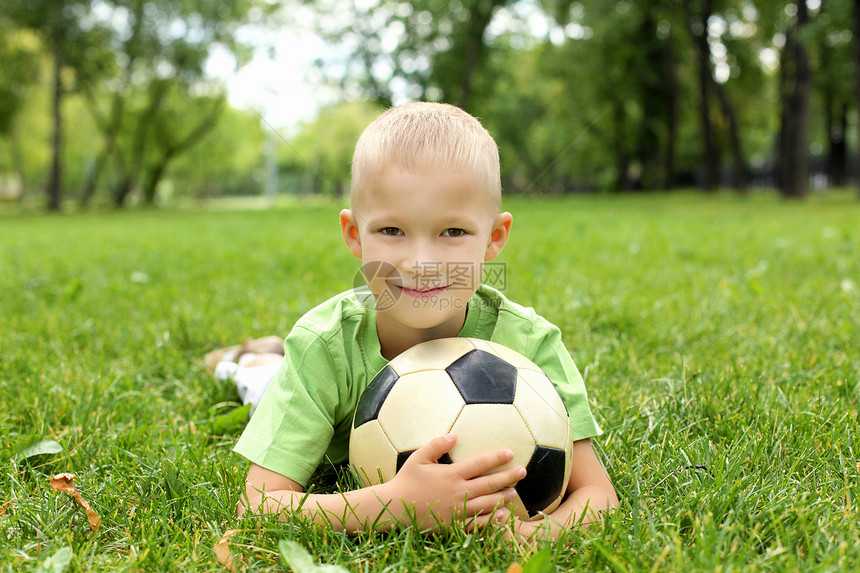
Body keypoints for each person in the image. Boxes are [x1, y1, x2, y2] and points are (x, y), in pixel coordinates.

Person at [227, 102, 618, 541]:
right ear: (355, 235)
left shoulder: (530, 342)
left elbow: (597, 493)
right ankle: (243, 360)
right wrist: (395, 504)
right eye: (392, 231)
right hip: (295, 376)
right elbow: (260, 506)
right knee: (259, 382)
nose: (420, 263)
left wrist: (534, 538)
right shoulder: (323, 346)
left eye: (452, 232)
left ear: (494, 239)